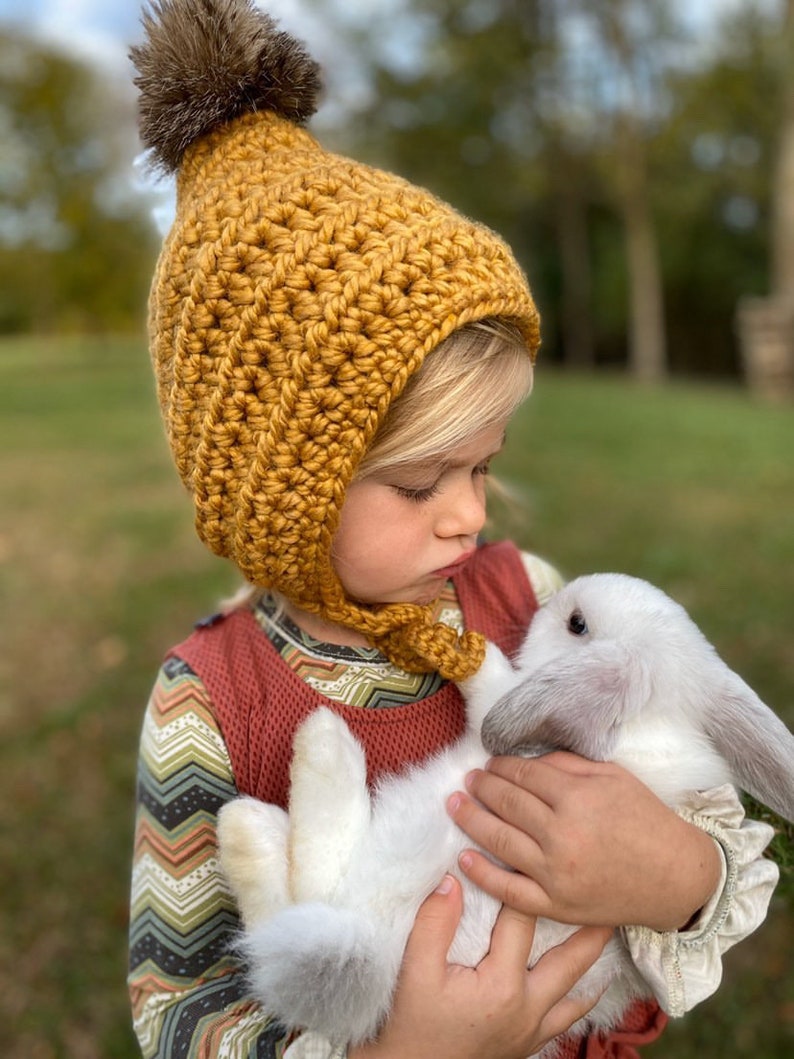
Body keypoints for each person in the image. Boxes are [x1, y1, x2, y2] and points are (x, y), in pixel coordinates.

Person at [126, 2, 779, 1057]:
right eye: (421, 480)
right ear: (276, 494)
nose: (469, 515)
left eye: (482, 467)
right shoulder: (211, 705)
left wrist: (678, 875)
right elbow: (180, 1007)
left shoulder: (531, 605)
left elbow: (681, 783)